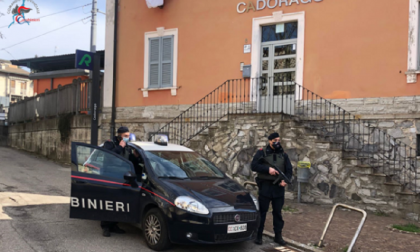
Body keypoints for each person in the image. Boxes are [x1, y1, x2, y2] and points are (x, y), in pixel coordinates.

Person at [251, 132, 293, 246]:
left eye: (278, 140)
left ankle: (278, 236)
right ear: (270, 141)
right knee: (262, 212)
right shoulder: (261, 152)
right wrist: (267, 169)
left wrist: (285, 180)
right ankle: (258, 236)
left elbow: (289, 171)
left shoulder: (283, 154)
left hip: (278, 188)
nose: (277, 142)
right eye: (275, 140)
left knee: (278, 213)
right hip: (265, 186)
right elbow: (254, 166)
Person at [101, 126, 143, 237]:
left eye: (128, 136)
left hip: (122, 177)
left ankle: (114, 224)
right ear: (119, 136)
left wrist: (135, 157)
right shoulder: (109, 143)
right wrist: (120, 147)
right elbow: (108, 156)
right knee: (109, 203)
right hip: (110, 176)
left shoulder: (128, 147)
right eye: (125, 136)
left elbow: (129, 161)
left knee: (119, 203)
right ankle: (106, 226)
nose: (127, 138)